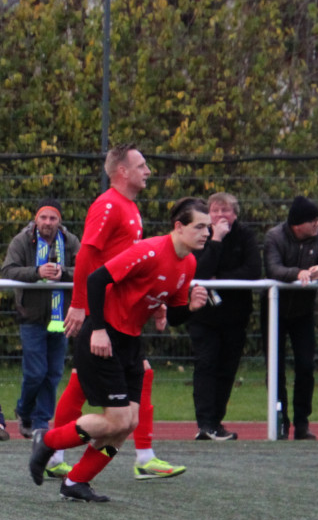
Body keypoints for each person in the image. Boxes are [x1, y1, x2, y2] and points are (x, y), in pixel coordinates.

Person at [29, 198, 210, 502]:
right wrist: (98, 329)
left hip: (130, 343)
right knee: (115, 421)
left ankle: (76, 482)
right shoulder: (149, 250)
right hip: (104, 337)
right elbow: (97, 279)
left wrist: (191, 307)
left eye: (209, 227)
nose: (207, 232)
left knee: (128, 425)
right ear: (179, 227)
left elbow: (175, 314)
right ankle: (47, 440)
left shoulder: (188, 262)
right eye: (200, 226)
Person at [49, 144, 186, 481]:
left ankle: (60, 457)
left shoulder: (130, 207)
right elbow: (86, 257)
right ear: (122, 171)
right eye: (141, 165)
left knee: (88, 384)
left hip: (122, 311)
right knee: (123, 390)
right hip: (107, 314)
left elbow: (132, 266)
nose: (148, 171)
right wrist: (80, 306)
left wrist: (155, 302)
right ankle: (57, 449)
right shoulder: (109, 204)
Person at [0, 198, 80, 438]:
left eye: (52, 218)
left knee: (53, 373)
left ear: (59, 221)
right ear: (36, 218)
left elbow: (86, 269)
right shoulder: (22, 240)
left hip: (61, 317)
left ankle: (41, 422)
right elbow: (8, 271)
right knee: (35, 372)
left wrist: (62, 273)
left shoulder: (70, 241)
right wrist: (37, 272)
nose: (47, 222)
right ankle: (24, 411)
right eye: (43, 217)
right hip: (31, 317)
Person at [263, 195, 318, 440]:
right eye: (312, 220)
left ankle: (302, 423)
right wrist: (300, 273)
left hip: (304, 313)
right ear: (297, 224)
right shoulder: (274, 237)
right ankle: (280, 421)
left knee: (306, 366)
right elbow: (273, 268)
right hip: (274, 312)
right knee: (275, 369)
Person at [188, 192, 261, 441]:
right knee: (206, 365)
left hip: (235, 316)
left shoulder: (246, 235)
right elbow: (198, 271)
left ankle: (216, 422)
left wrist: (221, 280)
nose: (220, 215)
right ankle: (205, 424)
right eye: (215, 211)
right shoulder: (200, 234)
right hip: (203, 316)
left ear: (235, 214)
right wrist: (216, 240)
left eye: (225, 210)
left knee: (227, 369)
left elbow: (252, 271)